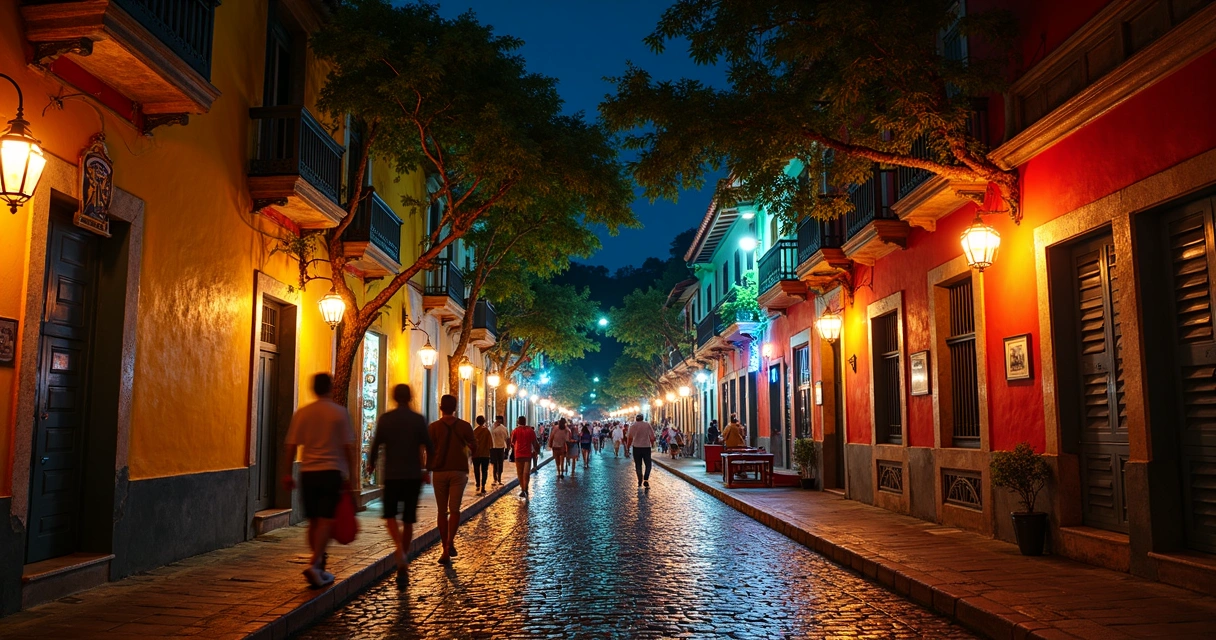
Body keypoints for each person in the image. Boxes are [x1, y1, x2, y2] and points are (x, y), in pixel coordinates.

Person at [283, 373, 356, 588]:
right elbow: (348, 447)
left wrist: (287, 473)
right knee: (326, 520)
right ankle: (315, 564)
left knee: (313, 520)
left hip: (308, 473)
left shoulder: (302, 413)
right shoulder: (339, 413)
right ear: (331, 388)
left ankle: (318, 564)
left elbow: (291, 445)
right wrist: (352, 477)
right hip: (331, 472)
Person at [368, 384, 433, 587]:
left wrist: (371, 463)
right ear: (410, 397)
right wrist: (427, 470)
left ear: (394, 397)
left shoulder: (386, 419)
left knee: (390, 516)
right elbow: (429, 446)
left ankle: (400, 551)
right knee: (408, 519)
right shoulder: (418, 419)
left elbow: (376, 444)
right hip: (413, 475)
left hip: (392, 475)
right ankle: (403, 558)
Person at [427, 394, 476, 565]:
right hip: (458, 471)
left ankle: (444, 549)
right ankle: (450, 542)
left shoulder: (433, 427)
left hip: (439, 472)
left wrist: (427, 468)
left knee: (442, 511)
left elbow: (428, 449)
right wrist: (464, 452)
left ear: (441, 407)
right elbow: (473, 447)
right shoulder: (465, 426)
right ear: (455, 408)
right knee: (454, 509)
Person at [511, 416, 540, 498]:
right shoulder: (530, 430)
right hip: (527, 454)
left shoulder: (515, 431)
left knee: (520, 473)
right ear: (525, 421)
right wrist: (537, 451)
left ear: (518, 422)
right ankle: (525, 488)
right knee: (526, 473)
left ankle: (523, 489)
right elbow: (535, 442)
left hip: (518, 454)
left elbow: (512, 442)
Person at [627, 414, 656, 488]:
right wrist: (652, 444)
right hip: (646, 447)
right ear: (642, 418)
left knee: (638, 465)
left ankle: (640, 479)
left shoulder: (632, 426)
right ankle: (646, 479)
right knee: (648, 465)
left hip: (636, 447)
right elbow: (652, 437)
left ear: (636, 419)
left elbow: (630, 438)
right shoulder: (647, 425)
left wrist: (627, 447)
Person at [471, 416, 493, 495]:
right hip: (485, 454)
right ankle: (483, 486)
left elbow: (471, 443)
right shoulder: (486, 431)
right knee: (484, 471)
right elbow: (491, 443)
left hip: (476, 454)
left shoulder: (474, 431)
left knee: (476, 469)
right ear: (484, 421)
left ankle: (478, 484)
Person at [490, 415, 509, 486]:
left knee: (499, 463)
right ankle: (496, 478)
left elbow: (507, 438)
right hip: (494, 447)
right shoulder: (492, 427)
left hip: (500, 447)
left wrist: (507, 448)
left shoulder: (503, 428)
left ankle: (499, 478)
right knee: (495, 463)